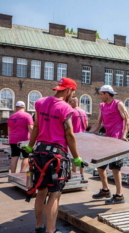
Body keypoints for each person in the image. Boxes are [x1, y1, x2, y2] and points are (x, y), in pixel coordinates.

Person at [22, 78, 86, 233]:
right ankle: (51, 230)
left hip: (39, 153)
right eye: (73, 92)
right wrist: (76, 157)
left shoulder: (40, 102)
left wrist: (30, 147)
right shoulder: (65, 108)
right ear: (69, 90)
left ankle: (39, 226)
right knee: (54, 194)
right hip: (56, 156)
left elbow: (36, 127)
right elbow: (69, 134)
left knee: (41, 191)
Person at [89, 85, 129, 205]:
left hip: (117, 140)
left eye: (101, 94)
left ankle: (119, 195)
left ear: (107, 94)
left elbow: (127, 120)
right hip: (107, 140)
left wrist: (124, 135)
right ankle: (105, 190)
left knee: (115, 168)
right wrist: (85, 134)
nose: (100, 96)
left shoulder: (118, 104)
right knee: (100, 166)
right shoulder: (102, 106)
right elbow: (98, 124)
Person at [8, 101, 33, 173]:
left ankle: (12, 174)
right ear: (24, 107)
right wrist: (33, 140)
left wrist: (10, 139)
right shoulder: (27, 116)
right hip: (24, 140)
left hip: (13, 139)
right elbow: (31, 128)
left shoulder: (11, 117)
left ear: (16, 107)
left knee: (14, 157)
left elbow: (9, 130)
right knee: (26, 157)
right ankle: (21, 173)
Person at [68, 97, 88, 183]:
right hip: (83, 136)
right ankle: (82, 175)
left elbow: (68, 125)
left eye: (70, 102)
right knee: (81, 156)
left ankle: (74, 174)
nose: (69, 103)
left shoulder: (71, 112)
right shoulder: (83, 112)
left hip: (74, 136)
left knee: (74, 155)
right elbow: (86, 125)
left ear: (74, 102)